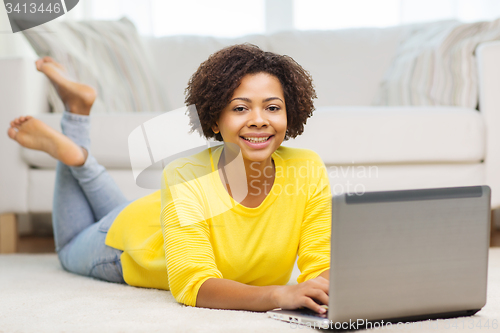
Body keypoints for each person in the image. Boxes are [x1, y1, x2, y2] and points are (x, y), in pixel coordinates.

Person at [7, 44, 331, 314]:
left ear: (290, 115)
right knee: (68, 247)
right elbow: (192, 284)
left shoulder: (308, 168)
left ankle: (78, 129)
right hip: (130, 245)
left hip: (153, 213)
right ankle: (75, 146)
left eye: (272, 107)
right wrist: (278, 295)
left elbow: (321, 264)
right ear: (215, 121)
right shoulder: (183, 175)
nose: (259, 120)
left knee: (118, 208)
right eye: (240, 109)